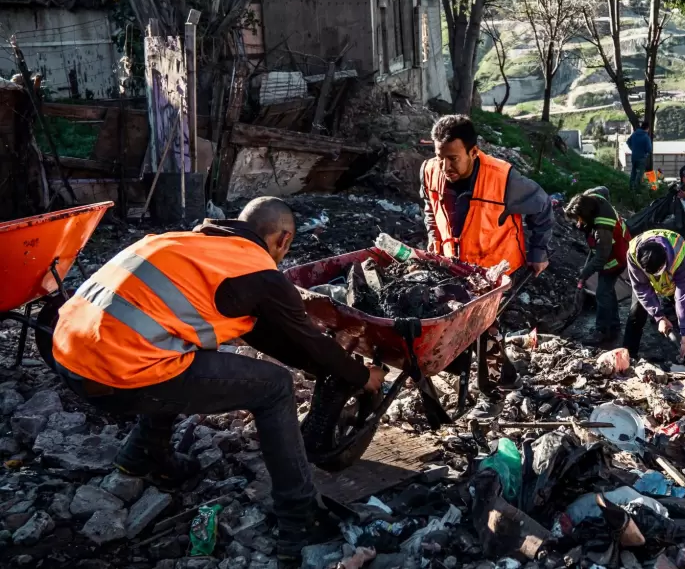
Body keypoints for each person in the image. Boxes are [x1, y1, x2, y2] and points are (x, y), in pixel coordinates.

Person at [50, 197, 386, 559]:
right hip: (114, 374)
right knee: (275, 388)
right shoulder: (259, 270)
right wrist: (360, 374)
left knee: (182, 343)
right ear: (284, 240)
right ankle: (300, 517)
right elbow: (307, 339)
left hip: (67, 355)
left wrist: (319, 365)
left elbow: (262, 334)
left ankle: (144, 454)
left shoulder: (188, 244)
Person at [420, 114, 553, 417]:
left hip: (495, 269)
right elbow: (429, 206)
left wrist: (538, 252)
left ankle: (492, 393)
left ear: (473, 152)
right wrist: (432, 237)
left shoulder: (504, 180)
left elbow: (543, 207)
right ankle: (504, 377)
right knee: (459, 325)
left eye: (453, 159)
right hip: (454, 266)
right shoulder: (430, 171)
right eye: (440, 157)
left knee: (483, 328)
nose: (445, 167)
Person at [623, 229, 685, 362]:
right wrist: (659, 316)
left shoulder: (679, 256)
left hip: (676, 273)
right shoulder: (633, 254)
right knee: (636, 311)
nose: (658, 278)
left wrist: (684, 339)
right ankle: (628, 354)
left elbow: (682, 296)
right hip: (644, 278)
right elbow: (641, 287)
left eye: (659, 272)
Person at [564, 187, 631, 347]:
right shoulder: (593, 199)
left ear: (587, 214)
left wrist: (584, 273)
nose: (578, 223)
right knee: (607, 292)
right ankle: (613, 327)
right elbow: (603, 190)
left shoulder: (602, 230)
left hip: (616, 257)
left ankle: (603, 332)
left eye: (579, 219)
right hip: (612, 250)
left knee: (602, 293)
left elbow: (601, 258)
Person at [626, 122, 652, 188]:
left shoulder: (634, 134)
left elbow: (628, 141)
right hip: (641, 157)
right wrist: (646, 153)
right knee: (640, 174)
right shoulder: (646, 137)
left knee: (633, 172)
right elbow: (649, 149)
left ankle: (631, 187)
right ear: (647, 128)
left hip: (634, 156)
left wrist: (632, 149)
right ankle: (637, 188)